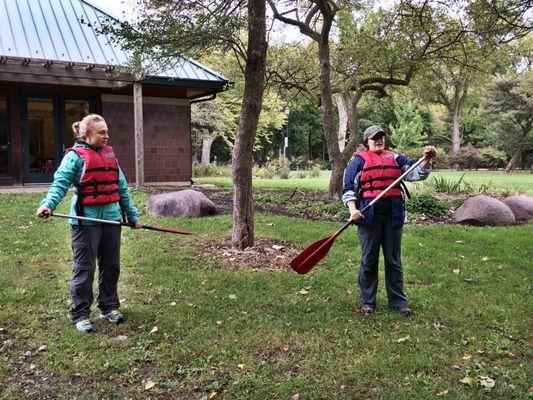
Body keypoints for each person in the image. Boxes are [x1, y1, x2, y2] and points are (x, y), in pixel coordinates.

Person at [36, 114, 141, 332]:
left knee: (111, 265)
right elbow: (60, 183)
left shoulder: (110, 155)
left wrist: (132, 215)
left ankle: (109, 306)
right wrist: (48, 204)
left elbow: (121, 188)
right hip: (85, 221)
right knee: (85, 268)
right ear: (86, 134)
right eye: (101, 132)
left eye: (106, 131)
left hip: (111, 218)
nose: (106, 135)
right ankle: (81, 313)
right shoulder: (75, 157)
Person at [342, 125, 436, 316]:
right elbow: (348, 188)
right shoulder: (358, 163)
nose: (379, 140)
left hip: (393, 213)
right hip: (368, 215)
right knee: (369, 258)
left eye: (381, 137)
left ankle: (398, 301)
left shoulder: (395, 158)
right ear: (366, 142)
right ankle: (368, 301)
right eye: (374, 138)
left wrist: (426, 160)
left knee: (393, 260)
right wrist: (353, 210)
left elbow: (414, 172)